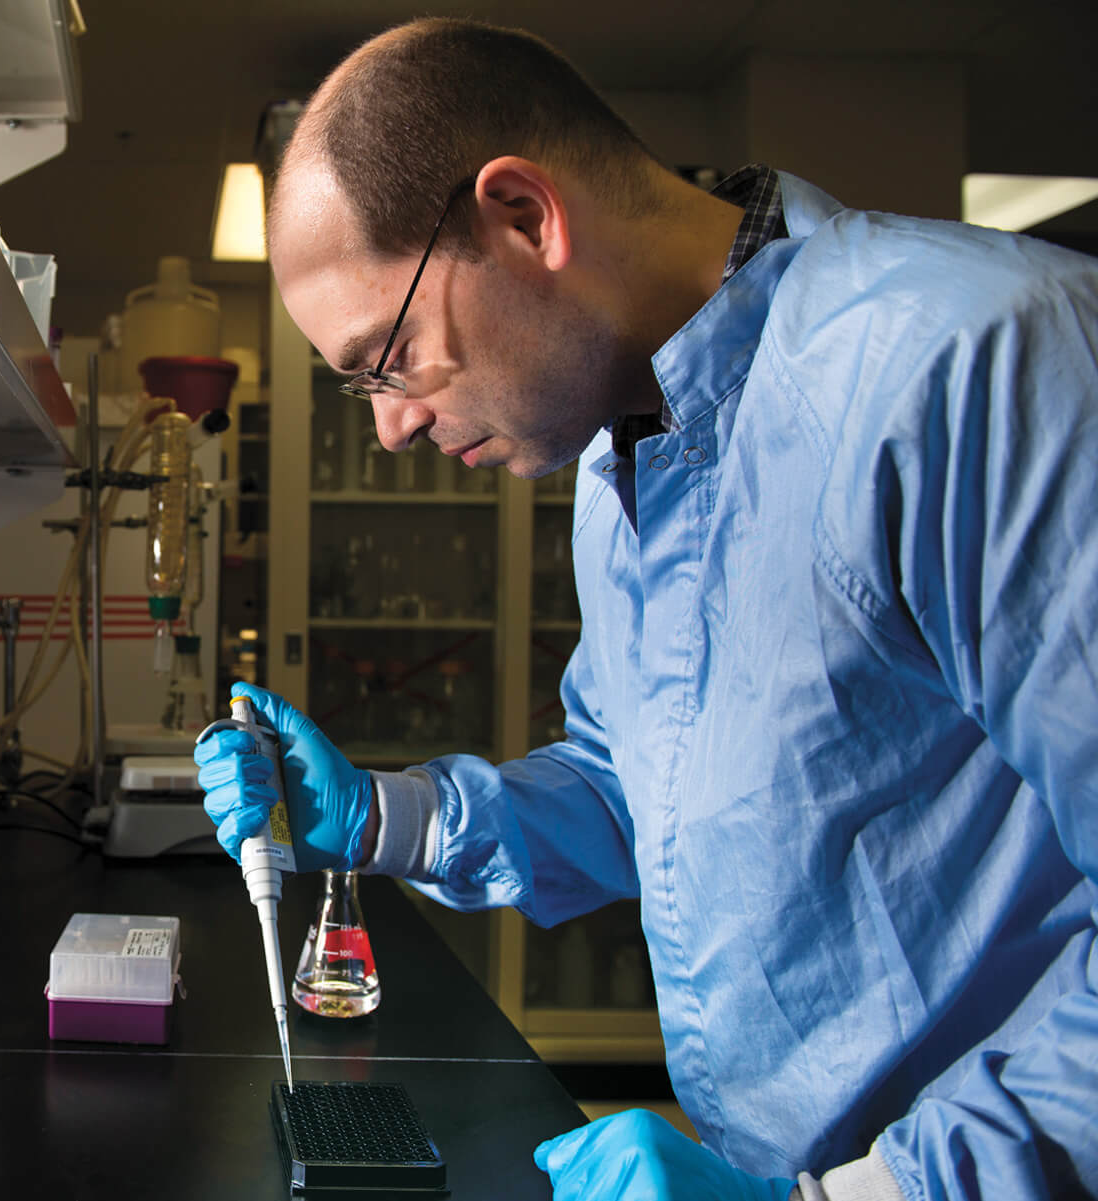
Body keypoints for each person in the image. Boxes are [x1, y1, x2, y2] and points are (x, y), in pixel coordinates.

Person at [193, 17, 1098, 1201]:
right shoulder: (625, 454)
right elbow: (647, 791)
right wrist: (385, 819)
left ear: (524, 216)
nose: (392, 425)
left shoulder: (970, 362)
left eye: (391, 358)